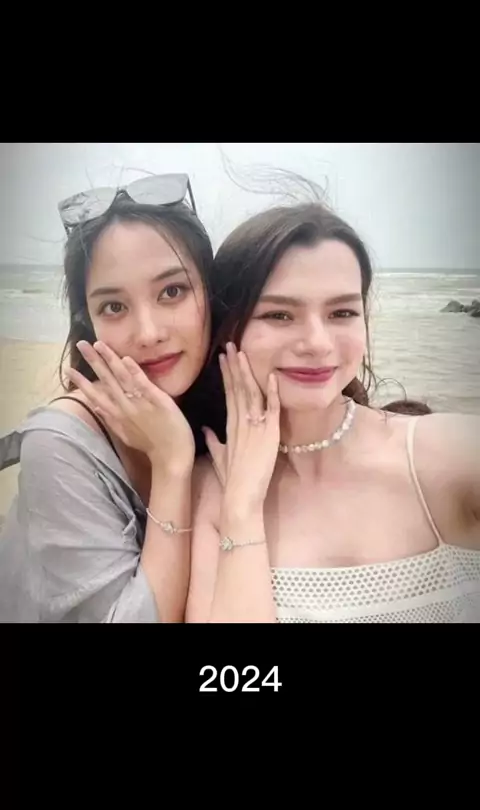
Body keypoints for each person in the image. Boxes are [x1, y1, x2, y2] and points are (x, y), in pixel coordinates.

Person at [186, 199, 480, 623]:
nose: (318, 343)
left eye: (342, 312)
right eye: (279, 314)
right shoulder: (209, 485)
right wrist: (243, 511)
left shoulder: (446, 455)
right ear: (227, 328)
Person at [0, 173, 216, 622]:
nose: (148, 333)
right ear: (89, 321)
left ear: (212, 294)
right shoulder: (58, 444)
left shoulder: (224, 410)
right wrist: (172, 465)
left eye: (172, 291)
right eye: (114, 306)